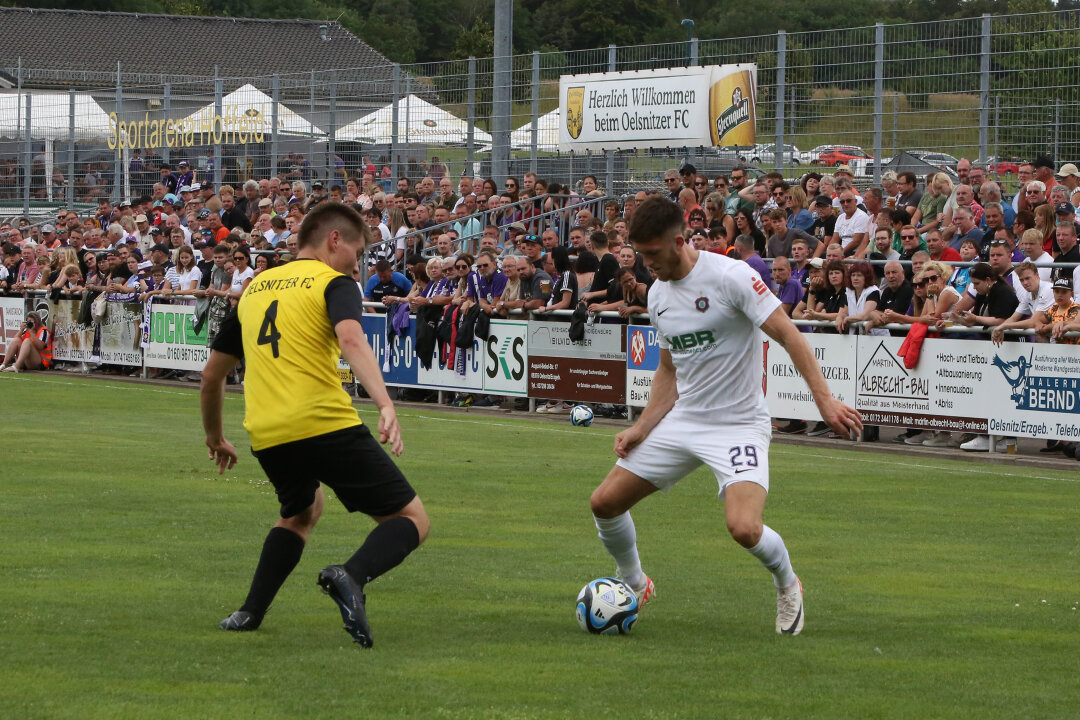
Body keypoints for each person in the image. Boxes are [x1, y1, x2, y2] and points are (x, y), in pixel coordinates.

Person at [587, 197, 862, 637]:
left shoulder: (731, 276)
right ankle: (635, 583)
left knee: (744, 528)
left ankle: (788, 583)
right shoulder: (657, 296)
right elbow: (669, 369)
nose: (646, 263)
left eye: (653, 254)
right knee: (604, 502)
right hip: (684, 420)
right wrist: (641, 427)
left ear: (679, 241)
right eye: (641, 254)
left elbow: (789, 336)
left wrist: (824, 401)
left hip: (738, 423)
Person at [202, 202, 428, 648]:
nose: (358, 264)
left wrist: (215, 437)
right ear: (334, 240)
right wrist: (385, 403)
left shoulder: (254, 287)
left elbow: (212, 374)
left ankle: (249, 612)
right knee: (412, 519)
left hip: (267, 432)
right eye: (358, 252)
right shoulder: (333, 282)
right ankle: (352, 575)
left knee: (301, 512)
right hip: (323, 422)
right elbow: (350, 338)